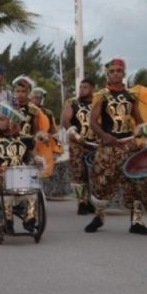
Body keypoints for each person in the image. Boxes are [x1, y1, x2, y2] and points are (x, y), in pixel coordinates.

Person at [85, 58, 147, 235]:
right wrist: (104, 135)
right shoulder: (102, 95)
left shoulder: (132, 96)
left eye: (118, 71)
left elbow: (138, 121)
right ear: (108, 74)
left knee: (134, 183)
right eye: (112, 71)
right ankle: (99, 217)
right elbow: (92, 121)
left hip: (128, 146)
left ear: (124, 73)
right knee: (102, 183)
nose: (115, 73)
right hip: (108, 147)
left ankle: (136, 222)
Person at [0, 104, 40, 234]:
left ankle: (29, 220)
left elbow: (34, 157)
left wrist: (37, 162)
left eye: (1, 119)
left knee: (34, 187)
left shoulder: (27, 139)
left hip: (20, 176)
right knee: (7, 180)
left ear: (12, 122)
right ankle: (8, 222)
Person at [61, 78, 97, 215]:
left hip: (95, 143)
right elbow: (65, 120)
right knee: (79, 173)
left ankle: (91, 201)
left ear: (92, 88)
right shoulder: (72, 102)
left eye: (85, 87)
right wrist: (75, 134)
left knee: (95, 174)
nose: (81, 89)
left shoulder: (98, 102)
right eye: (80, 87)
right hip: (77, 143)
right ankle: (82, 202)